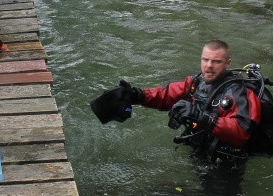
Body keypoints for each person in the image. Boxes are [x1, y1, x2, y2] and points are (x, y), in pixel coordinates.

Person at [94, 40, 263, 161]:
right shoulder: (196, 83)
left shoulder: (239, 92)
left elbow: (242, 132)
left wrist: (201, 116)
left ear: (227, 63)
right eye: (205, 60)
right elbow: (166, 96)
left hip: (225, 162)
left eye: (216, 61)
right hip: (199, 149)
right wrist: (136, 95)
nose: (209, 65)